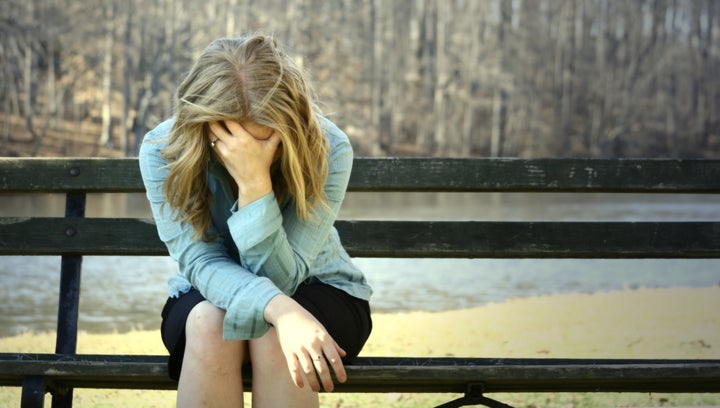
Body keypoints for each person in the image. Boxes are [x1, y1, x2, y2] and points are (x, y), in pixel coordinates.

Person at [138, 34, 373, 407]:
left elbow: (284, 277)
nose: (246, 150)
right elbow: (200, 262)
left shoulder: (328, 146)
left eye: (264, 142)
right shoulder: (162, 150)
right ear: (204, 124)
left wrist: (254, 184)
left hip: (320, 288)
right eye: (231, 142)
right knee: (210, 324)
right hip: (209, 294)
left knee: (272, 334)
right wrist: (282, 309)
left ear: (290, 121)